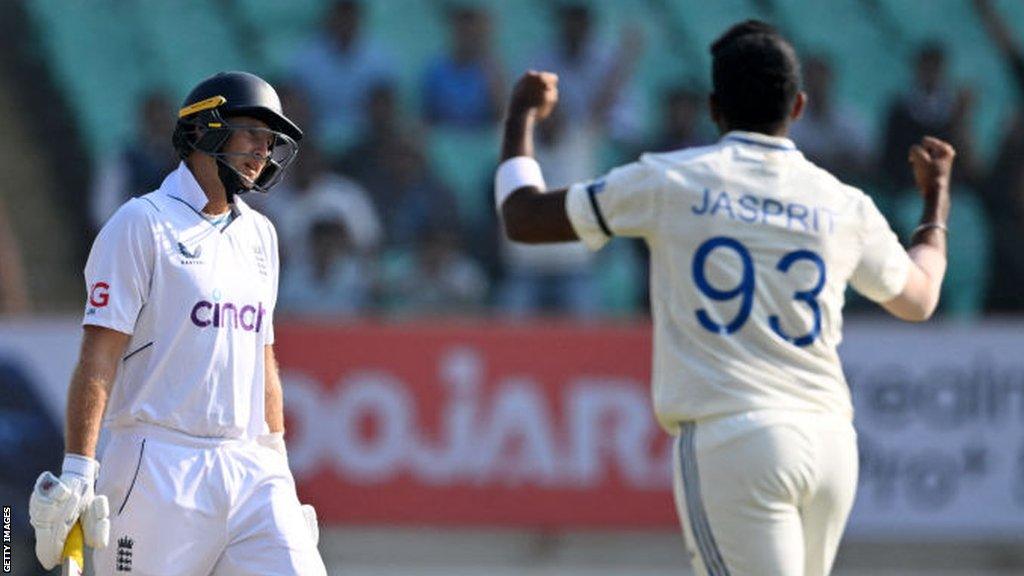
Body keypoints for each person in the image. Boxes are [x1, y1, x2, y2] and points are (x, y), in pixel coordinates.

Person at [494, 21, 953, 576]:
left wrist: (519, 118)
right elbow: (919, 298)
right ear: (799, 106)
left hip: (736, 438)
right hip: (831, 442)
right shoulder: (842, 203)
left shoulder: (670, 180)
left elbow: (522, 217)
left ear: (714, 108)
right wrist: (935, 205)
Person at [28, 71, 327, 575]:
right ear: (205, 131)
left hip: (250, 466)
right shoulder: (141, 223)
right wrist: (79, 467)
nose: (263, 150)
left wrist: (277, 462)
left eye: (271, 140)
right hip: (157, 463)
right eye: (252, 133)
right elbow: (99, 355)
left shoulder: (261, 235)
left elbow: (261, 355)